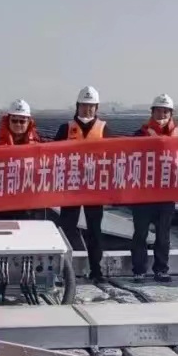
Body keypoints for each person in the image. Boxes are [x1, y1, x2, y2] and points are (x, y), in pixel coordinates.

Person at [53, 86, 107, 284]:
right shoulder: (65, 129)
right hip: (71, 186)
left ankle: (96, 270)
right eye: (84, 105)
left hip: (94, 188)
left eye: (91, 106)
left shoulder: (104, 129)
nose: (87, 109)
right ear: (77, 106)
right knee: (66, 228)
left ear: (96, 108)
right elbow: (53, 154)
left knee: (94, 230)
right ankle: (64, 270)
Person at [129, 94, 178, 283]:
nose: (162, 114)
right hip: (143, 195)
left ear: (171, 114)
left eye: (166, 111)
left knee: (163, 236)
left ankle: (161, 269)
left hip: (166, 195)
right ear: (152, 112)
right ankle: (139, 270)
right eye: (159, 111)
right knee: (140, 234)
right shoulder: (140, 134)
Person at [0, 99, 45, 221]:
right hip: (3, 202)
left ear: (29, 122)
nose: (18, 124)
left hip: (29, 202)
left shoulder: (39, 142)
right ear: (8, 120)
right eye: (14, 120)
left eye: (22, 121)